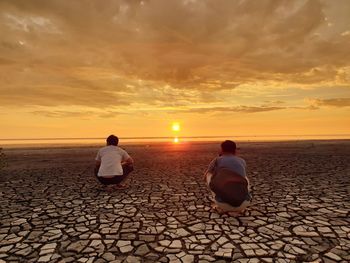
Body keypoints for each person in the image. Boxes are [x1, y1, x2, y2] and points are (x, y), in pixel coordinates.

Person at [204, 140, 252, 215]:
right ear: (235, 150)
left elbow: (205, 176)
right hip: (244, 203)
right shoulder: (242, 161)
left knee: (209, 174)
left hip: (222, 204)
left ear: (222, 149)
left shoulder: (217, 160)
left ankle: (218, 201)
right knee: (244, 178)